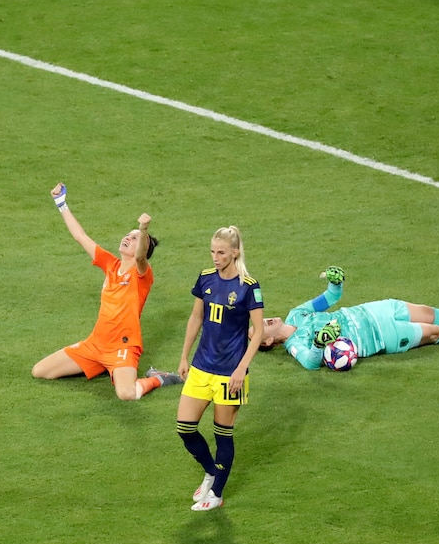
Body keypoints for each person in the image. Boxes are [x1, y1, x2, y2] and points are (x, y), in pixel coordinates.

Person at [31, 183, 181, 400]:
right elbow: (80, 236)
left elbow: (139, 258)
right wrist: (60, 203)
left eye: (134, 238)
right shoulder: (110, 264)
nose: (128, 238)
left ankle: (158, 378)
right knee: (40, 371)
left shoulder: (143, 274)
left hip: (123, 348)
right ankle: (103, 367)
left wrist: (144, 229)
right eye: (128, 235)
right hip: (94, 345)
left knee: (126, 394)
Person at [254, 266, 439, 369]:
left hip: (373, 311)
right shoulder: (295, 346)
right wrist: (319, 343)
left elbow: (329, 299)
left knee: (432, 312)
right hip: (378, 337)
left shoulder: (296, 314)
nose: (262, 321)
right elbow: (311, 363)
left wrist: (336, 282)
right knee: (434, 331)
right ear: (266, 343)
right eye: (257, 329)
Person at [173, 226, 264, 511]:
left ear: (235, 252)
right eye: (212, 251)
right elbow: (195, 317)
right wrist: (184, 356)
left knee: (222, 433)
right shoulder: (205, 278)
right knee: (184, 428)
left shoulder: (249, 286)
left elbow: (259, 331)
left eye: (221, 252)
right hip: (201, 367)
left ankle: (217, 494)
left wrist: (241, 369)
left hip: (229, 373)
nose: (215, 257)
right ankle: (211, 472)